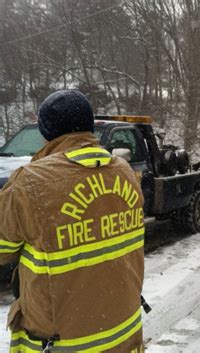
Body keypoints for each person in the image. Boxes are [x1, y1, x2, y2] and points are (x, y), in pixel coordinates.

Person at [0, 90, 145, 352]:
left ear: (46, 133)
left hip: (62, 343)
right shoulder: (125, 172)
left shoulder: (30, 182)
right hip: (125, 334)